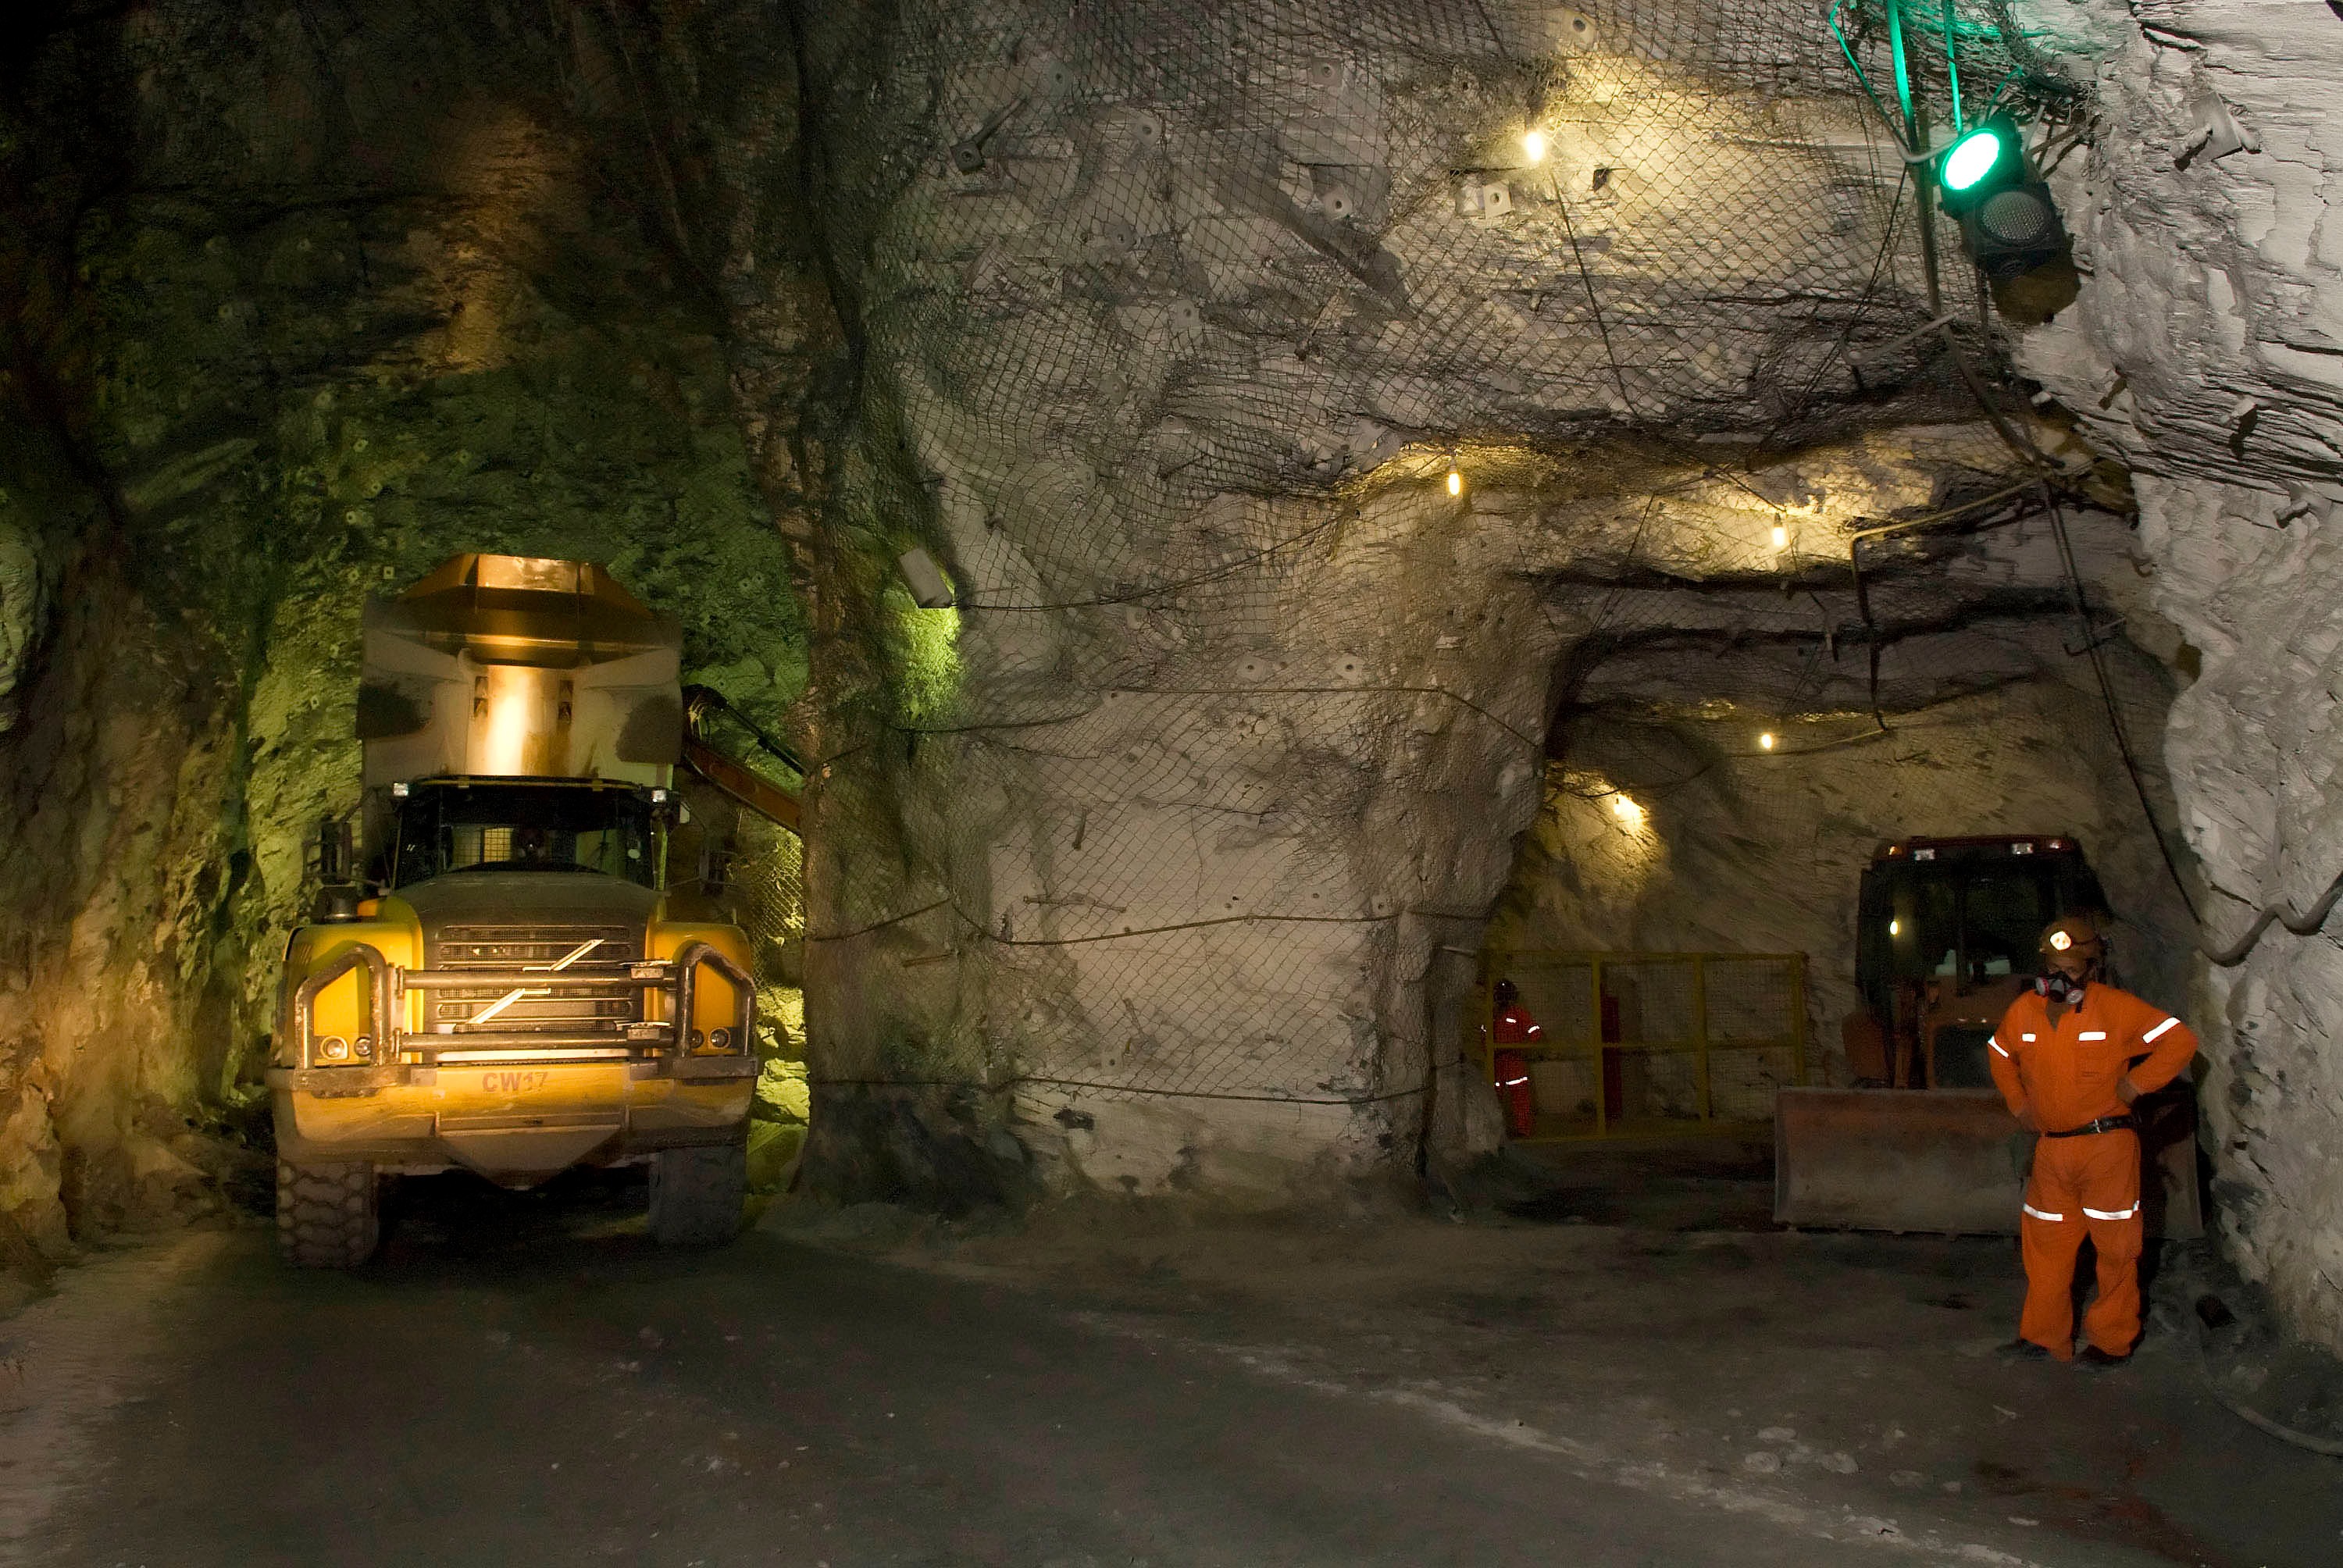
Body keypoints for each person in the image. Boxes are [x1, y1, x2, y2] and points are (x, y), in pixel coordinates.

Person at [1986, 915, 2198, 1367]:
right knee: (2045, 1251)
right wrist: (2019, 1104)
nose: (2061, 977)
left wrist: (2139, 1083)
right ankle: (2044, 1339)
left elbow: (2179, 1041)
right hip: (2052, 1152)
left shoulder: (2116, 1008)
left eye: (2073, 968)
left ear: (2093, 966)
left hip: (2107, 1150)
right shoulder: (2025, 1010)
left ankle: (2111, 1342)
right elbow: (2000, 1054)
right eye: (2054, 967)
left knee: (2117, 1251)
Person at [1489, 978, 1542, 1139]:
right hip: (1496, 1064)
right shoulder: (1490, 1015)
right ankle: (1495, 1132)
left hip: (1514, 1063)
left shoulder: (1519, 1014)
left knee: (1520, 1099)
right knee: (1493, 1099)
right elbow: (1482, 1036)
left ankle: (1523, 1130)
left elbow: (1535, 1032)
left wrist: (1523, 1048)